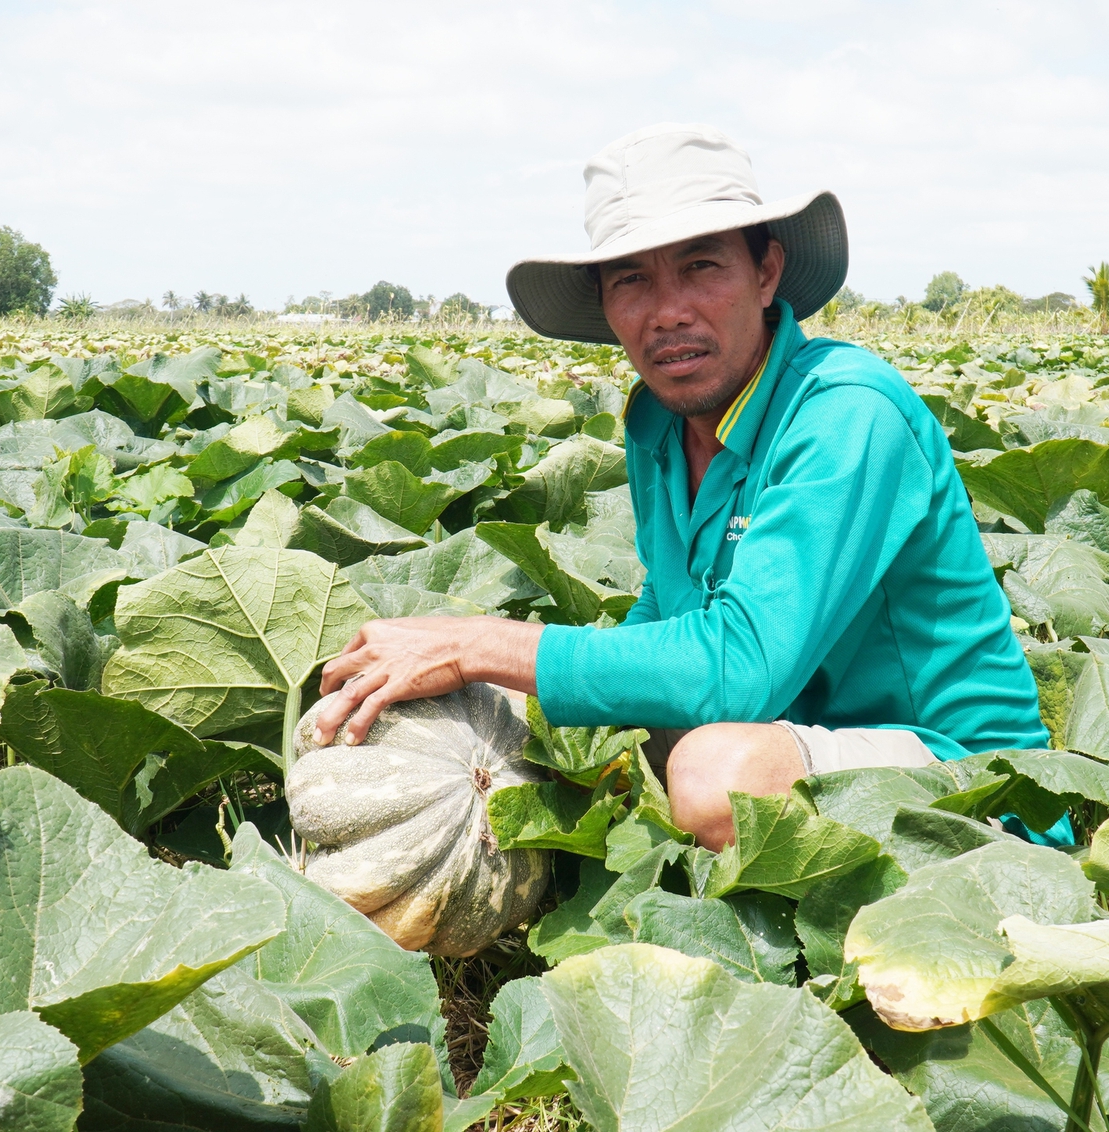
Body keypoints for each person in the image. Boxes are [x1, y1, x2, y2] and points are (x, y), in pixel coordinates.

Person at [309, 123, 1049, 851]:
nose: (668, 312)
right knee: (502, 710)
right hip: (785, 733)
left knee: (712, 774)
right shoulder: (660, 424)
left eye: (701, 267)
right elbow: (666, 614)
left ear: (766, 273)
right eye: (633, 278)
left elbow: (739, 670)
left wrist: (480, 642)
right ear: (605, 301)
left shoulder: (848, 412)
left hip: (970, 783)